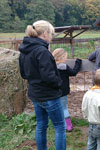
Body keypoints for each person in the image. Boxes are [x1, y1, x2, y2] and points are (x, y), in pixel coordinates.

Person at [19, 20, 66, 150]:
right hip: (49, 95)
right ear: (44, 33)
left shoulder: (24, 50)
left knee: (41, 125)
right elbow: (49, 77)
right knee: (60, 127)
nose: (51, 37)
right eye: (51, 34)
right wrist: (59, 84)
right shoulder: (42, 51)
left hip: (35, 95)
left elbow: (23, 74)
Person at [52, 48, 82, 131]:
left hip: (53, 91)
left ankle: (58, 125)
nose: (66, 59)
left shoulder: (51, 66)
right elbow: (73, 72)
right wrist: (78, 62)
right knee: (64, 108)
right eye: (65, 57)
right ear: (61, 57)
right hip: (63, 91)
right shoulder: (64, 67)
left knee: (56, 108)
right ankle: (68, 126)